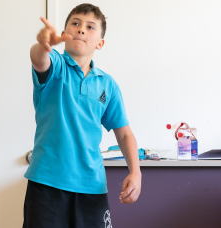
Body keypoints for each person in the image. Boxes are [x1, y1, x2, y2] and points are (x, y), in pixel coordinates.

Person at [23, 3, 142, 228]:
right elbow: (39, 59)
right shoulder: (56, 65)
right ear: (65, 33)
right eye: (75, 24)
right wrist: (43, 44)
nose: (81, 30)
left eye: (90, 27)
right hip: (47, 184)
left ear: (100, 43)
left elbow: (124, 134)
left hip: (92, 188)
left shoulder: (108, 85)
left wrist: (135, 172)